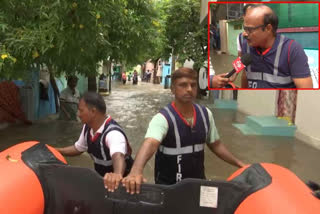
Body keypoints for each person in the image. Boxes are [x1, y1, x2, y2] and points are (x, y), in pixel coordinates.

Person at [105, 67, 245, 194]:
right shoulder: (162, 119)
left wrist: (240, 164)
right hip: (169, 190)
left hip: (198, 186)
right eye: (183, 85)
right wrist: (136, 171)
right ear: (172, 89)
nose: (189, 89)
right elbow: (150, 143)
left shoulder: (205, 114)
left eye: (193, 85)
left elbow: (216, 145)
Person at [55, 92, 133, 190]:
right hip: (104, 181)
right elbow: (78, 148)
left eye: (81, 110)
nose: (78, 114)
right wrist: (55, 151)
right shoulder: (88, 127)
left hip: (124, 185)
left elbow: (118, 156)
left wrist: (117, 175)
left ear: (93, 111)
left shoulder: (113, 134)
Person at [239, 4, 312, 88]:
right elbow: (245, 74)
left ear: (268, 28)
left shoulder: (292, 49)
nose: (245, 33)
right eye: (244, 28)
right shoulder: (246, 45)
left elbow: (306, 90)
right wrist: (233, 73)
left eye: (250, 29)